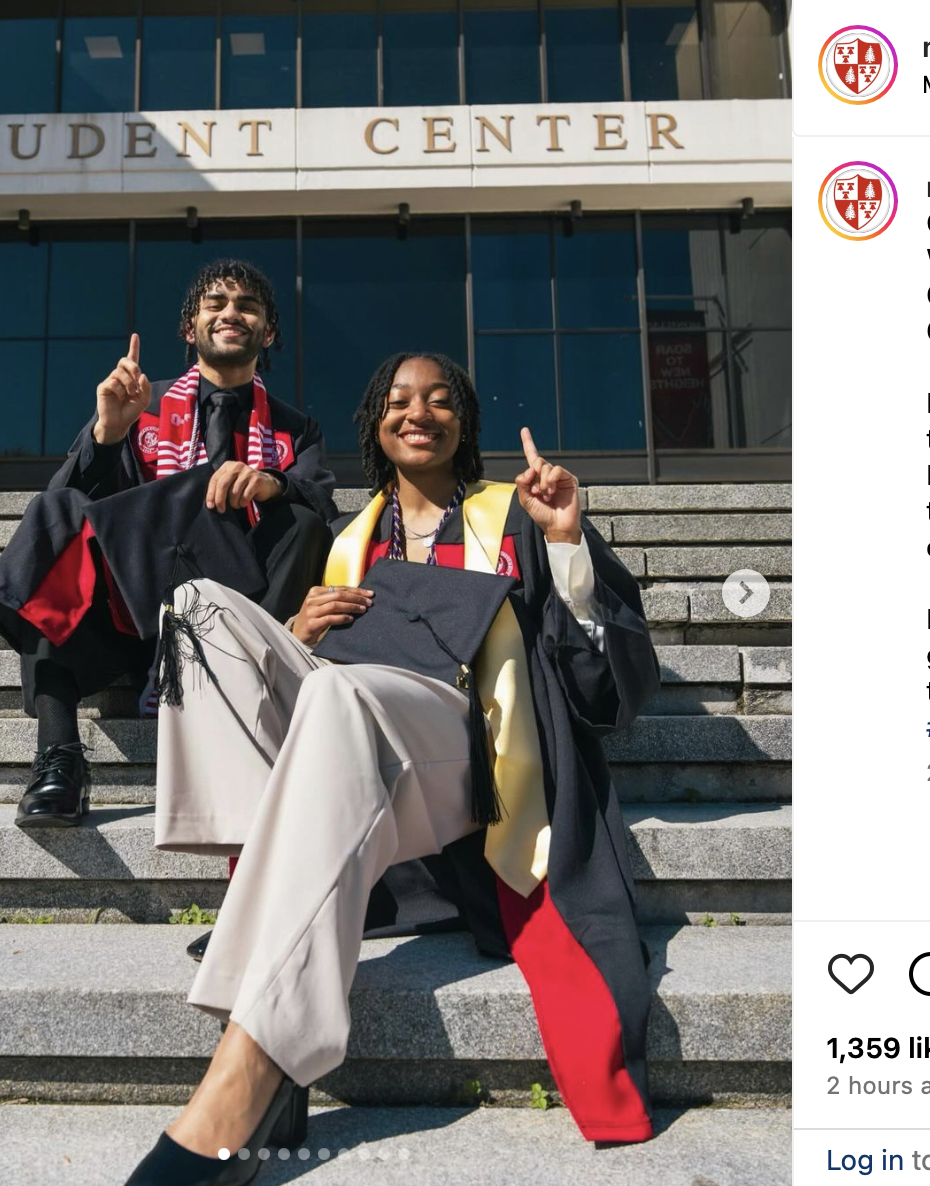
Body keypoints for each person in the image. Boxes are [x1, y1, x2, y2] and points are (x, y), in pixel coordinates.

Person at [123, 352, 661, 1184]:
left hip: (471, 765)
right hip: (353, 759)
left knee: (342, 698)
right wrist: (302, 630)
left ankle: (249, 1072)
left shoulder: (511, 516)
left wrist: (564, 545)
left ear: (462, 425)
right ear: (376, 423)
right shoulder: (346, 540)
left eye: (441, 401)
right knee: (198, 612)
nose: (420, 412)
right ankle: (261, 884)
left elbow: (605, 691)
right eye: (399, 401)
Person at [0, 260, 337, 831]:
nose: (231, 313)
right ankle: (59, 759)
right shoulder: (142, 403)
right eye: (215, 303)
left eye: (247, 306)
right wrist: (108, 433)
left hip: (242, 616)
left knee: (304, 522)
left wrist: (273, 481)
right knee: (59, 517)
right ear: (190, 329)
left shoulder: (293, 430)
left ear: (268, 333)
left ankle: (247, 702)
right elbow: (77, 510)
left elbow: (321, 504)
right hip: (137, 610)